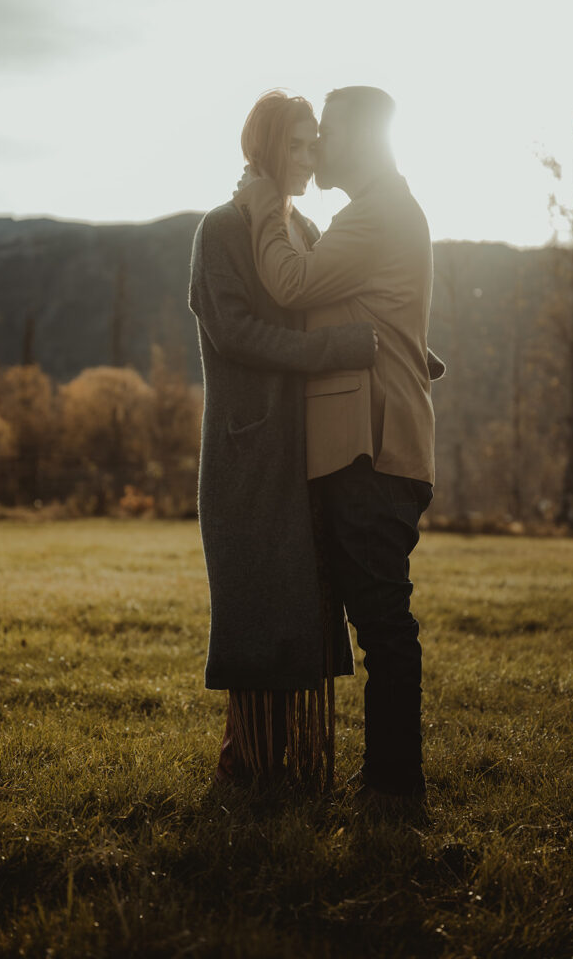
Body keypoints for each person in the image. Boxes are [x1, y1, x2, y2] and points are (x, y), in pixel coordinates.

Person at [234, 86, 439, 799]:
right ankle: (386, 778)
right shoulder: (379, 214)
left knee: (382, 621)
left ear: (361, 138)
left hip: (369, 449)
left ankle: (393, 788)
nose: (317, 146)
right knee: (377, 618)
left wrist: (262, 202)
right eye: (308, 135)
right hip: (377, 444)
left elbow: (289, 285)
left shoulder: (376, 214)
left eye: (327, 132)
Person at [188, 91, 379, 787]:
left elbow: (335, 300)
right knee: (260, 610)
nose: (310, 157)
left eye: (313, 143)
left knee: (307, 606)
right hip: (247, 456)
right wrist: (340, 350)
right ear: (267, 149)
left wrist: (403, 350)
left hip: (305, 450)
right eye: (297, 145)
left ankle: (300, 769)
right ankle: (255, 769)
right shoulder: (220, 230)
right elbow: (236, 334)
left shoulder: (303, 228)